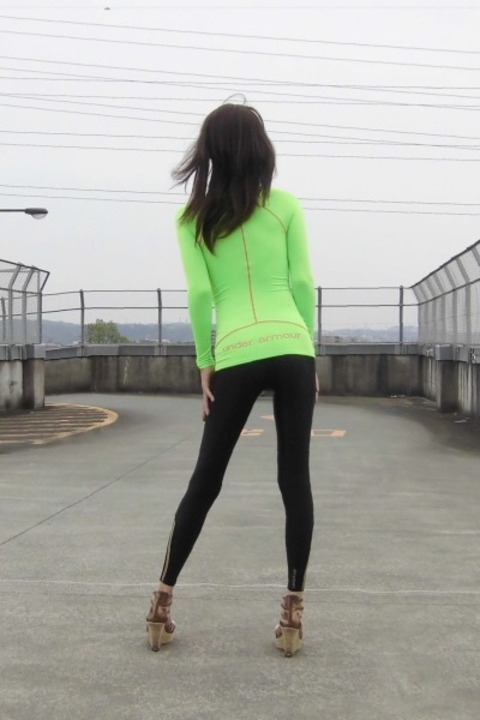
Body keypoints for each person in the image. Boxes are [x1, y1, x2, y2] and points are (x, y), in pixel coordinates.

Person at [146, 102, 318, 658]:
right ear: (261, 148)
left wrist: (206, 363)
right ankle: (292, 616)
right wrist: (309, 354)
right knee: (294, 479)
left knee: (206, 479)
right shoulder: (286, 206)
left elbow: (200, 295)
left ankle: (161, 603)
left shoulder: (192, 218)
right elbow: (302, 281)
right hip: (292, 345)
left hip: (237, 350)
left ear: (210, 152)